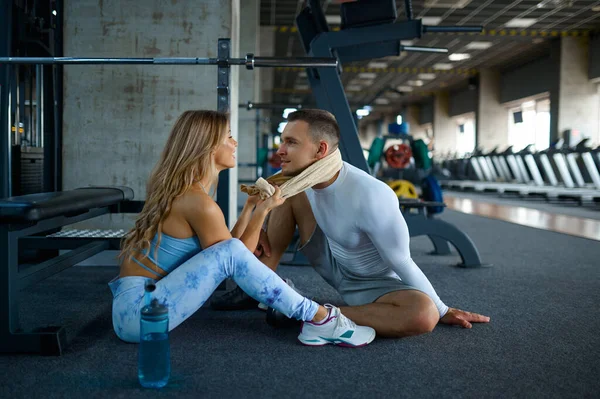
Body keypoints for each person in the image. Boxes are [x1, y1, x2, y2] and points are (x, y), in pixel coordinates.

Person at [211, 109, 490, 338]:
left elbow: (402, 262)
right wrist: (261, 221)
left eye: (291, 142)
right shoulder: (300, 179)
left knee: (423, 314)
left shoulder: (371, 194)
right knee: (287, 193)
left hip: (376, 287)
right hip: (332, 263)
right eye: (282, 141)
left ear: (321, 149)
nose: (280, 150)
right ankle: (261, 288)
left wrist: (441, 309)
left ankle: (305, 313)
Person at [108, 110, 376, 347]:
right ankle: (318, 318)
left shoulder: (190, 194)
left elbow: (225, 250)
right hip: (140, 316)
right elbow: (236, 258)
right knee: (234, 252)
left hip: (136, 308)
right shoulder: (199, 204)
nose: (235, 143)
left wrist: (249, 208)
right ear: (208, 147)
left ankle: (317, 318)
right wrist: (262, 213)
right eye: (228, 137)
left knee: (231, 250)